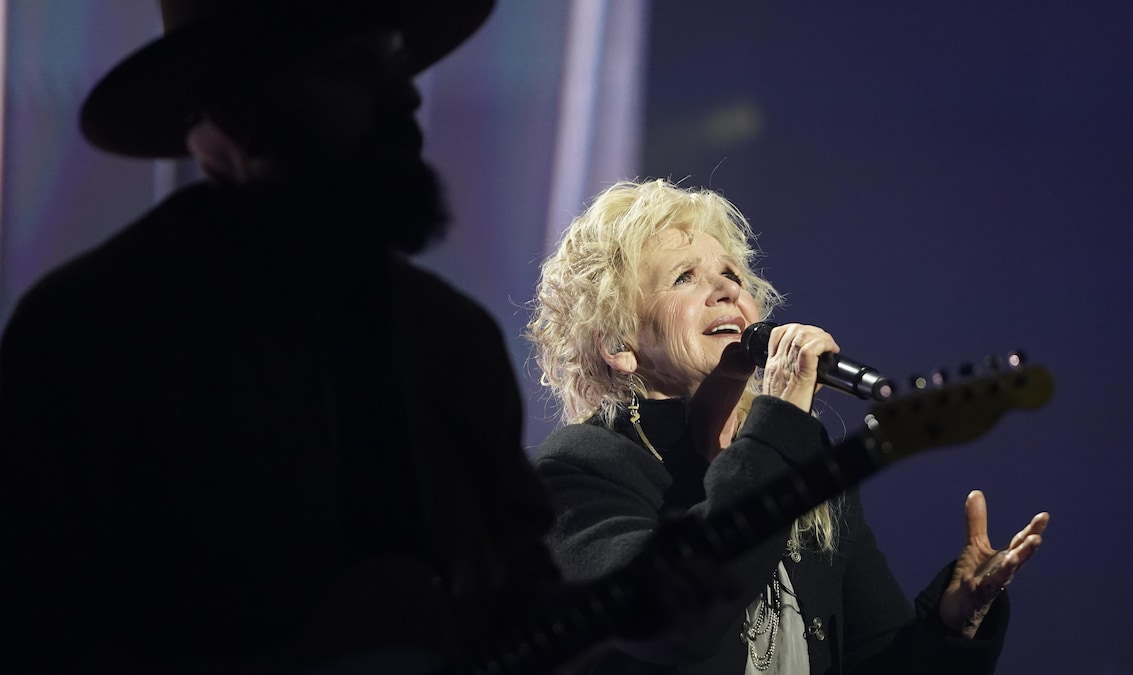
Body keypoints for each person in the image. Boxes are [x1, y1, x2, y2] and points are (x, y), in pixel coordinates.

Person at [0, 1, 561, 672]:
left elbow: (524, 601)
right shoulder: (88, 338)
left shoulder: (453, 343)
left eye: (395, 60)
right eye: (347, 65)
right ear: (231, 111)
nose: (405, 93)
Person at [525, 178, 1052, 674]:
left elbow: (873, 655)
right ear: (619, 345)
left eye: (731, 275)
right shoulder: (579, 469)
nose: (725, 291)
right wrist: (779, 425)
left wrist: (952, 625)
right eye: (685, 277)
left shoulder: (797, 449)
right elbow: (673, 619)